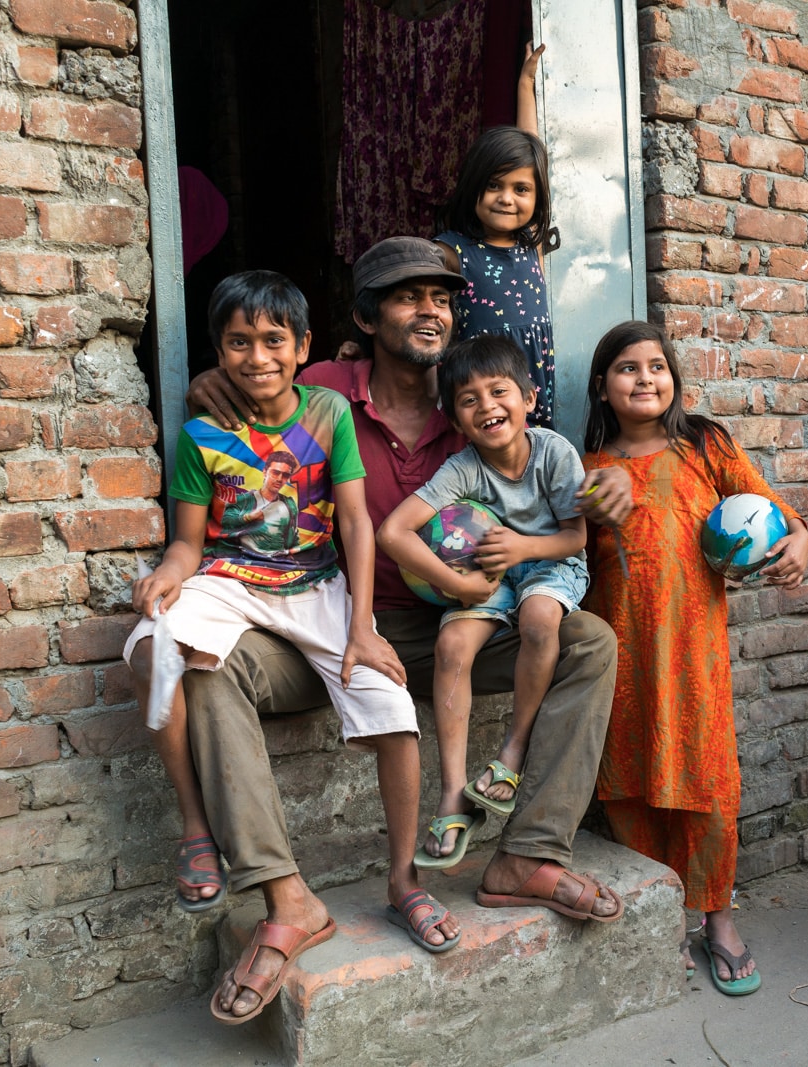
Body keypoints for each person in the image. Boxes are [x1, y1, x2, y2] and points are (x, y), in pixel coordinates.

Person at [182, 237, 633, 1025]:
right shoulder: (321, 388)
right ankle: (284, 897)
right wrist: (206, 384)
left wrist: (616, 472)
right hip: (329, 629)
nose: (430, 310)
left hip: (459, 622)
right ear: (363, 317)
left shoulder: (474, 407)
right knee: (210, 663)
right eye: (406, 296)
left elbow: (558, 465)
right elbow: (241, 385)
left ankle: (528, 854)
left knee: (588, 641)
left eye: (442, 299)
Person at [127, 272, 435, 1020]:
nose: (257, 356)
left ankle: (404, 878)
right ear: (218, 351)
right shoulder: (203, 434)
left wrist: (363, 625)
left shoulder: (327, 411)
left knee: (391, 704)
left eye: (273, 341)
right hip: (230, 577)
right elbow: (189, 541)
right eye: (239, 341)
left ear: (303, 348)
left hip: (318, 587)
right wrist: (165, 576)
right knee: (153, 648)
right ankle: (197, 827)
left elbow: (357, 523)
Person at [580, 321, 808, 995]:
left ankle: (718, 917)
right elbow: (567, 553)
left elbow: (775, 510)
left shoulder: (706, 445)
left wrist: (799, 538)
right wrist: (582, 509)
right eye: (627, 367)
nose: (645, 377)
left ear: (675, 379)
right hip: (621, 655)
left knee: (710, 784)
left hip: (697, 654)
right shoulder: (587, 471)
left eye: (658, 366)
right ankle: (661, 918)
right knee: (630, 782)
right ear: (602, 386)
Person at [378, 335, 592, 875]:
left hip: (548, 562)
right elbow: (392, 531)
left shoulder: (554, 452)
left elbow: (575, 538)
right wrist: (465, 586)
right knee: (452, 641)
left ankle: (513, 753)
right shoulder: (462, 467)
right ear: (455, 418)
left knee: (540, 618)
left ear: (528, 398)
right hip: (487, 576)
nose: (487, 406)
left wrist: (523, 547)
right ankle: (453, 794)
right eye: (468, 400)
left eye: (499, 392)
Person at [434, 46, 559, 427]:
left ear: (537, 196)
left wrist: (525, 84)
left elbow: (533, 152)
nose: (507, 198)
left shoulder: (530, 245)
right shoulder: (454, 250)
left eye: (521, 189)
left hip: (532, 388)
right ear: (473, 188)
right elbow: (408, 291)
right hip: (481, 393)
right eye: (493, 185)